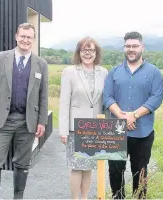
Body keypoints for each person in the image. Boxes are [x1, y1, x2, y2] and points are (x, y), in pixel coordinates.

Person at [0, 22, 48, 199]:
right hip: (1, 120)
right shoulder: (0, 58)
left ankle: (18, 197)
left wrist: (42, 121)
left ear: (33, 40)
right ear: (16, 36)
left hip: (27, 122)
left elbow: (43, 96)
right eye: (22, 36)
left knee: (23, 164)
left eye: (29, 37)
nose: (25, 40)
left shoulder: (41, 64)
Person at [103, 31, 163, 199]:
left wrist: (134, 115)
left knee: (140, 173)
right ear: (124, 48)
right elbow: (107, 96)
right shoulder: (114, 71)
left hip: (142, 132)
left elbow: (156, 98)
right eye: (128, 46)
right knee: (115, 172)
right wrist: (122, 116)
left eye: (135, 46)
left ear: (142, 47)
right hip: (116, 132)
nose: (131, 49)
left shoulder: (154, 72)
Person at [59, 37, 108, 199]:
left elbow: (104, 101)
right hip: (75, 127)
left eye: (91, 50)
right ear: (79, 53)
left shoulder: (104, 72)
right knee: (76, 166)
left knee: (88, 166)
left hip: (95, 128)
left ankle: (85, 197)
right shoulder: (70, 72)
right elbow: (64, 102)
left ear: (96, 53)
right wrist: (63, 130)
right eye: (84, 50)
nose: (88, 54)